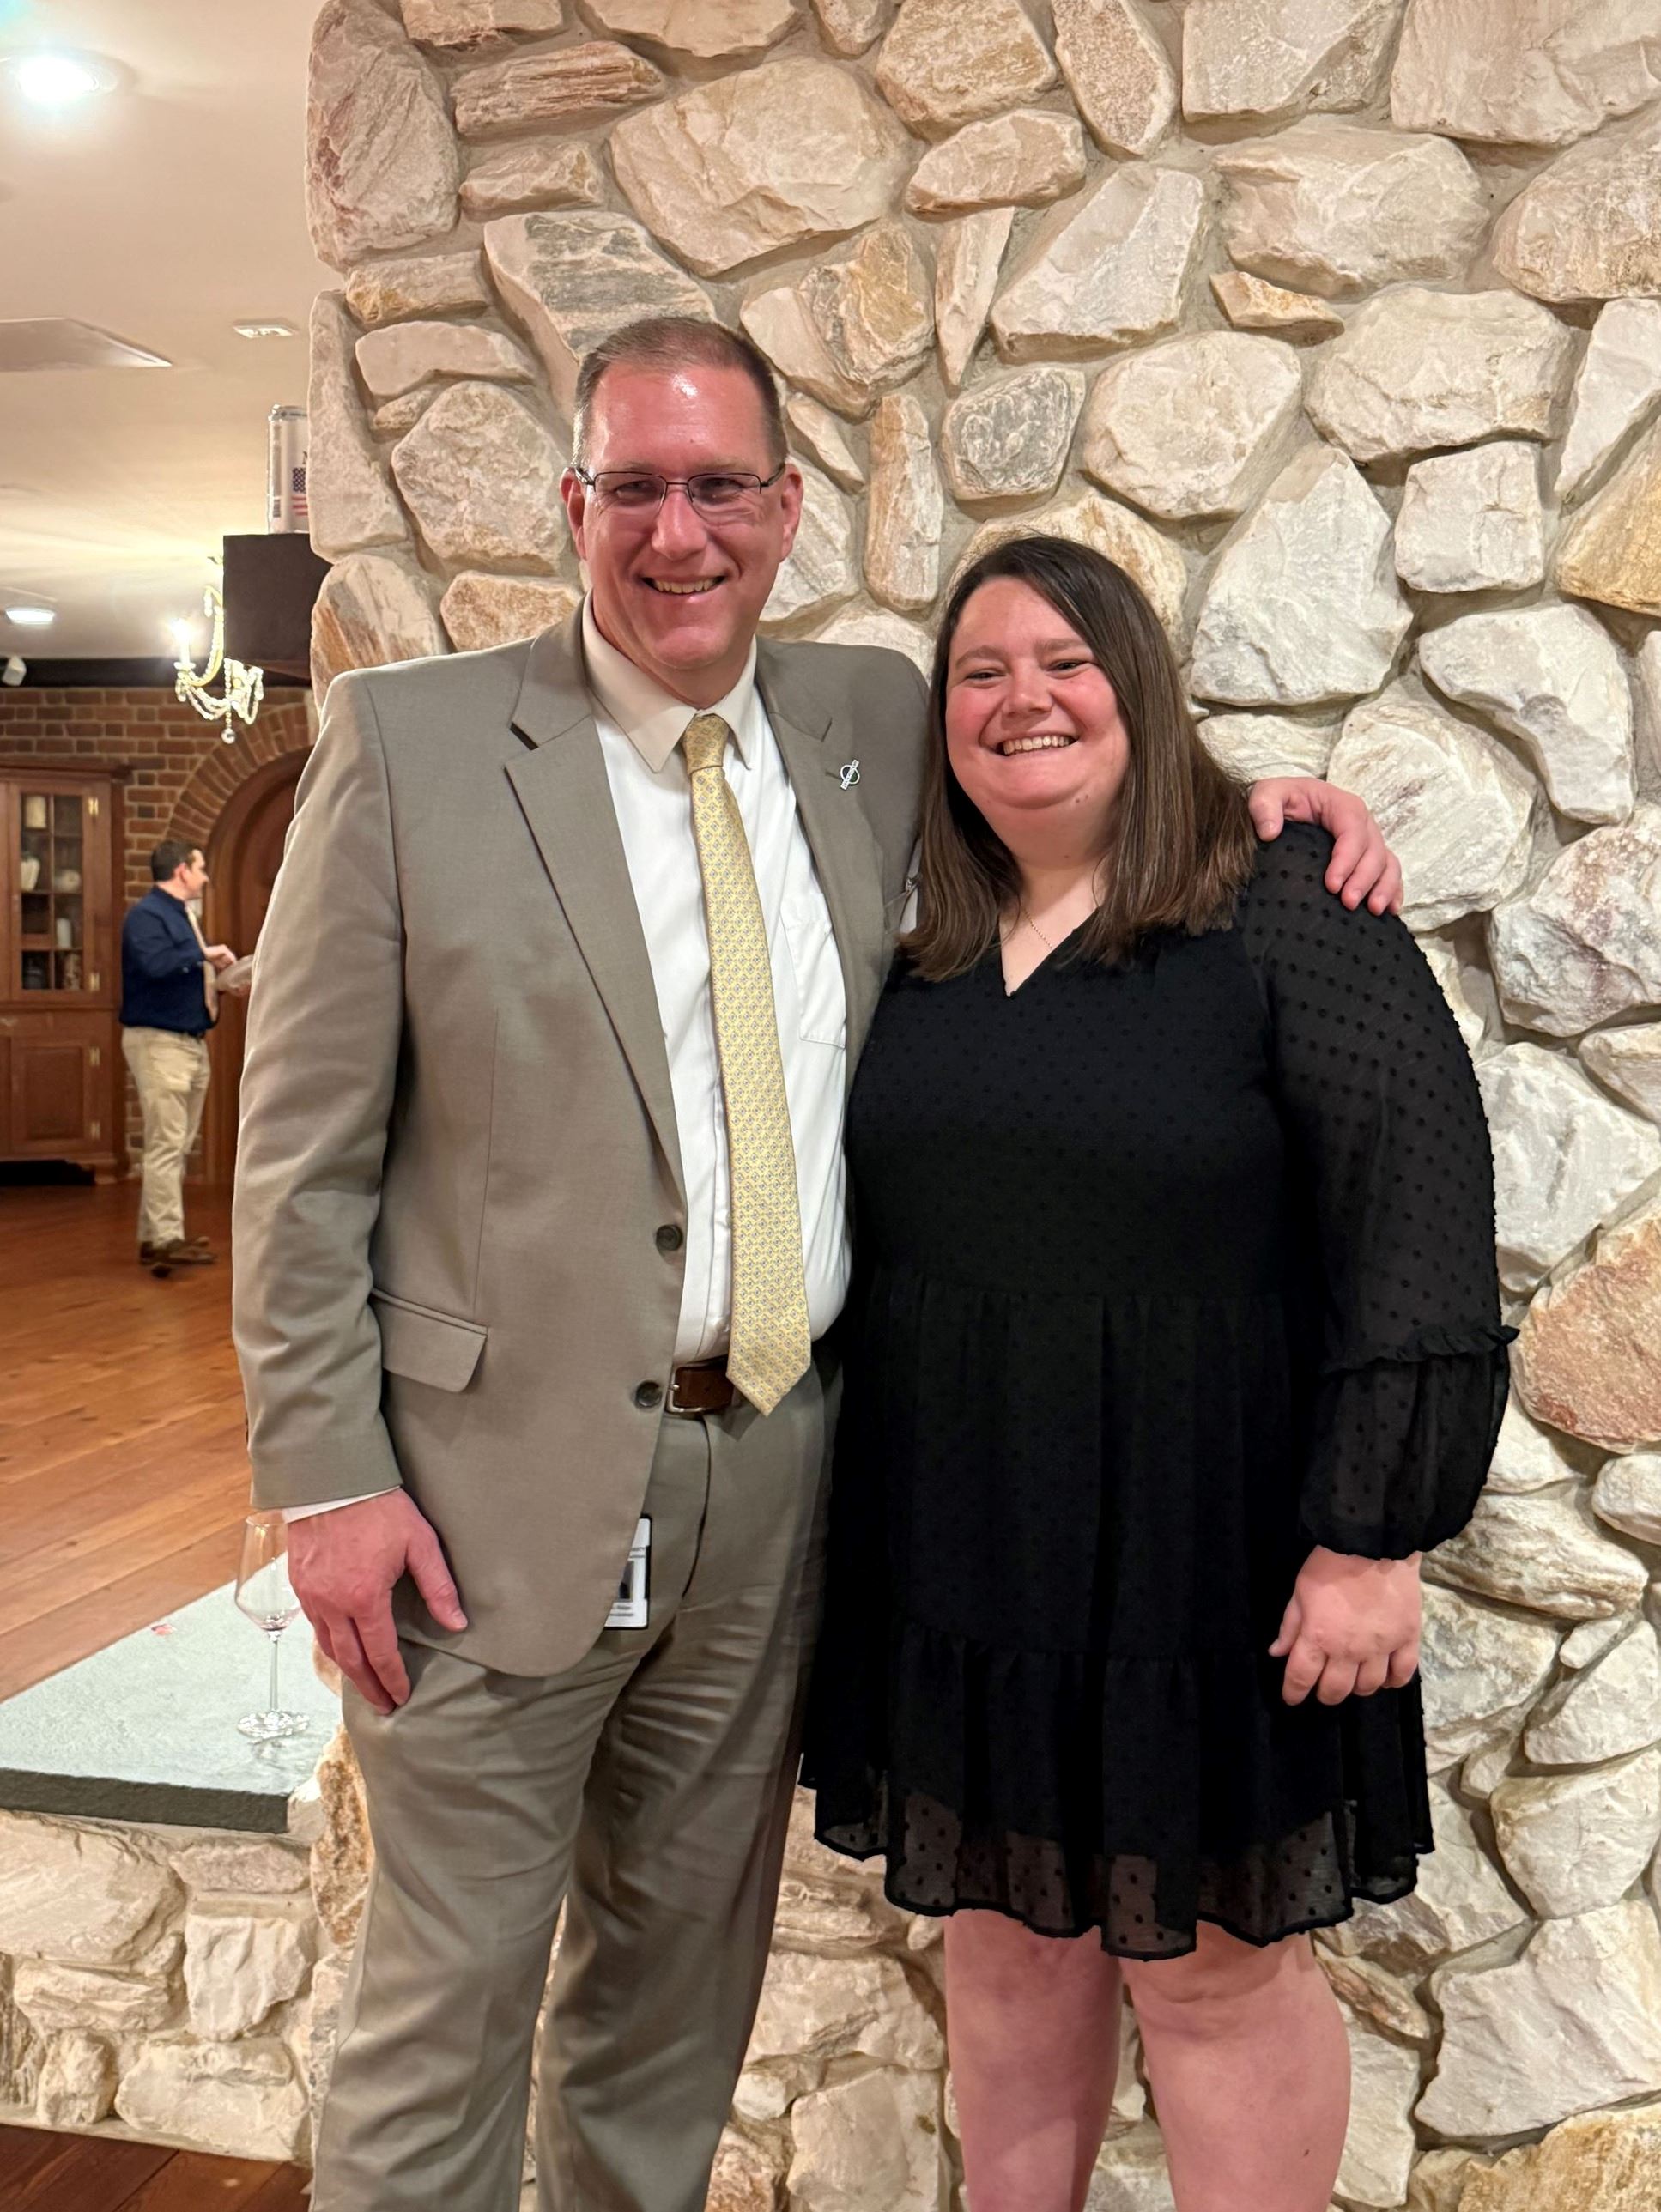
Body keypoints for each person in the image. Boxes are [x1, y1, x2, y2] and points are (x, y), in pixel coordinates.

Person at [232, 317, 1399, 2212]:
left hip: (782, 1484)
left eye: (718, 488)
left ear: (785, 511)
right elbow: (294, 1156)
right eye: (633, 485)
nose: (675, 532)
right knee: (439, 2003)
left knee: (672, 2001)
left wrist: (1263, 804)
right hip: (478, 1497)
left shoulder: (865, 722)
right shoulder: (413, 741)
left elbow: (1068, 756)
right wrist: (329, 1475)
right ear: (572, 505)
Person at [806, 535, 1511, 2212]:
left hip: (1213, 1549)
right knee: (1002, 1951)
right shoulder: (912, 930)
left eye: (1064, 659)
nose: (1020, 698)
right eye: (979, 670)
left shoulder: (1280, 907)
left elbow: (1415, 1214)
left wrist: (1371, 1535)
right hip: (958, 1530)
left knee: (1209, 1973)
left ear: (1137, 683)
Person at [119, 839, 236, 1267]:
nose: (205, 877)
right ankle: (166, 1237)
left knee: (177, 1144)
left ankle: (157, 1236)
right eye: (201, 868)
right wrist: (203, 954)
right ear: (182, 871)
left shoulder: (181, 915)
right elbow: (154, 964)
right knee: (167, 1144)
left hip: (188, 1041)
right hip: (160, 1042)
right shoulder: (146, 916)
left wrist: (223, 981)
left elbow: (178, 971)